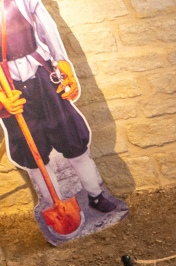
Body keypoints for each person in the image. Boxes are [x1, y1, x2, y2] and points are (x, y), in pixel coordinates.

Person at [0, 0, 126, 229]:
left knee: (72, 138)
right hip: (8, 86)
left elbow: (45, 24)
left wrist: (61, 61)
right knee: (32, 153)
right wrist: (2, 98)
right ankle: (54, 206)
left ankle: (96, 195)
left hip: (41, 75)